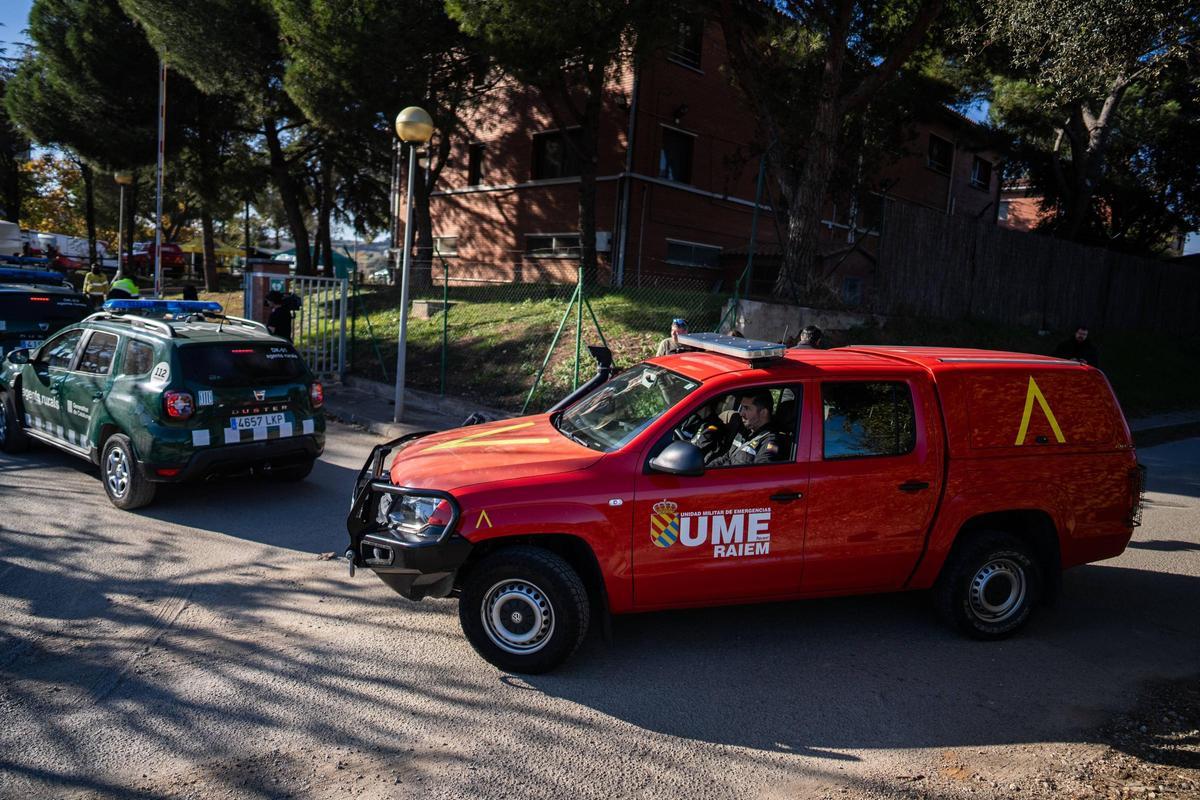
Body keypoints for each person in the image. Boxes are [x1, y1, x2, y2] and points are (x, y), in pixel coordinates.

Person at [708, 390, 779, 466]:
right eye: (742, 408)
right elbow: (727, 457)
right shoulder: (744, 431)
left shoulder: (771, 441)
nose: (741, 413)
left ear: (763, 413)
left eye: (746, 408)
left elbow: (760, 474)